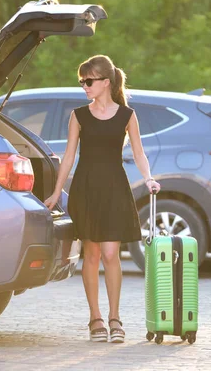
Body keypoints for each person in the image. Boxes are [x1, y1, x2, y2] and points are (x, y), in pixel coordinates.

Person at [44, 55, 161, 343]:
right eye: (82, 81)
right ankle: (95, 319)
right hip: (86, 189)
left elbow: (139, 152)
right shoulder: (78, 115)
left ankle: (115, 317)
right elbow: (69, 156)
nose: (84, 86)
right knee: (92, 255)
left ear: (106, 82)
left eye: (89, 81)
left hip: (114, 189)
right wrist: (57, 192)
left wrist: (148, 179)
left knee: (111, 255)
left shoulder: (126, 115)